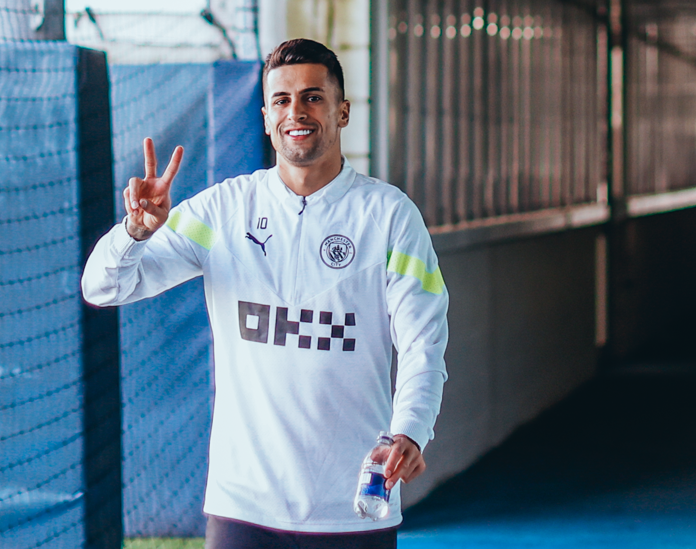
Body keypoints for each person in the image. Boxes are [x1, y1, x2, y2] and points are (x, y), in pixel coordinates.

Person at [81, 38, 448, 549]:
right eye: (281, 99)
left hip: (352, 509)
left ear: (343, 111)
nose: (296, 111)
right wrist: (135, 232)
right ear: (266, 115)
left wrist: (409, 431)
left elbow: (423, 344)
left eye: (313, 97)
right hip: (243, 508)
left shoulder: (390, 217)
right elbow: (101, 287)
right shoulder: (222, 212)